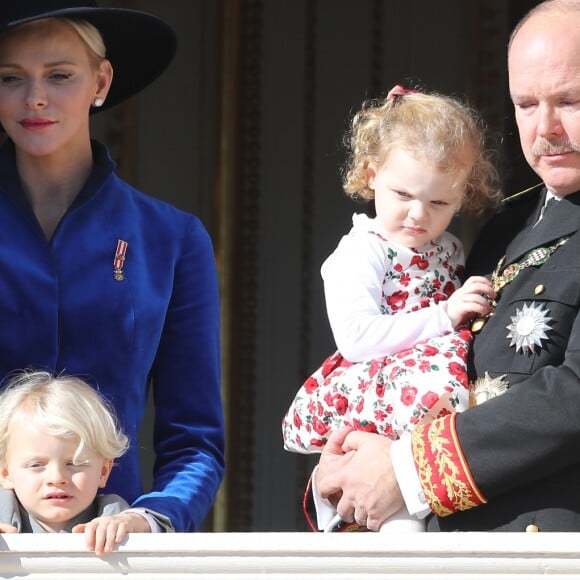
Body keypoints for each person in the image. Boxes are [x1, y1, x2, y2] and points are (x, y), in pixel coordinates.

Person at [310, 0, 580, 533]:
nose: (545, 127)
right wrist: (355, 464)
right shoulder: (508, 226)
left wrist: (405, 471)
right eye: (526, 105)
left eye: (569, 100)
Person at [0, 1, 224, 533]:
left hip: (112, 551)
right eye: (11, 77)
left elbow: (194, 438)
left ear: (101, 81)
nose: (35, 97)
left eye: (59, 75)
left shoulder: (172, 239)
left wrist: (153, 519)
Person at [282, 86, 500, 532]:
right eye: (402, 194)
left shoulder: (450, 248)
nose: (419, 215)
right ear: (371, 173)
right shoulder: (362, 252)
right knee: (389, 519)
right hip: (384, 394)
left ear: (463, 196)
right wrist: (445, 315)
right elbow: (357, 338)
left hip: (435, 407)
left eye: (440, 202)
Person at [0, 370, 171, 554]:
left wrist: (124, 532)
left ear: (104, 472)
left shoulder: (113, 515)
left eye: (75, 463)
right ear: (6, 474)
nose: (57, 478)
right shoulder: (5, 510)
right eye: (36, 465)